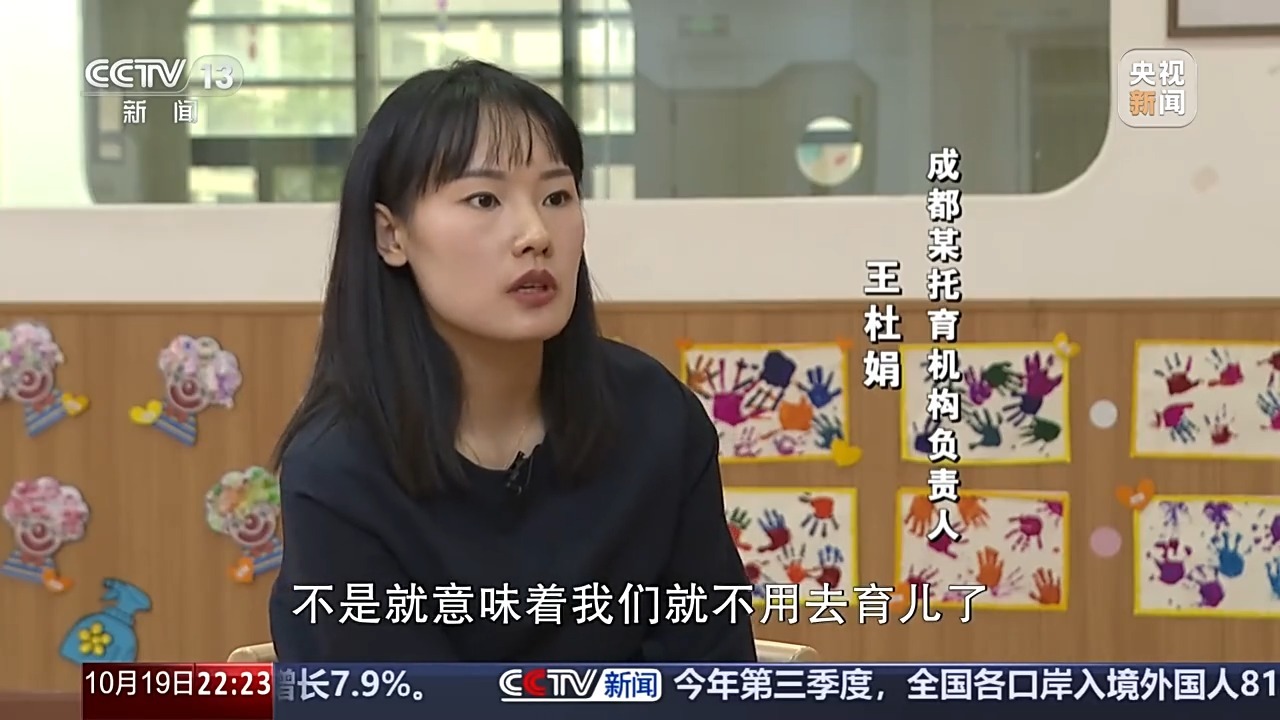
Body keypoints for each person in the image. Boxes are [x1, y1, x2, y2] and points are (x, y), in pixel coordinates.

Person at [268, 60, 756, 663]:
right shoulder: (338, 469)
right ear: (391, 235)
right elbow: (399, 700)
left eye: (557, 196)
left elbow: (715, 670)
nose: (535, 233)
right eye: (484, 199)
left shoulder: (655, 416)